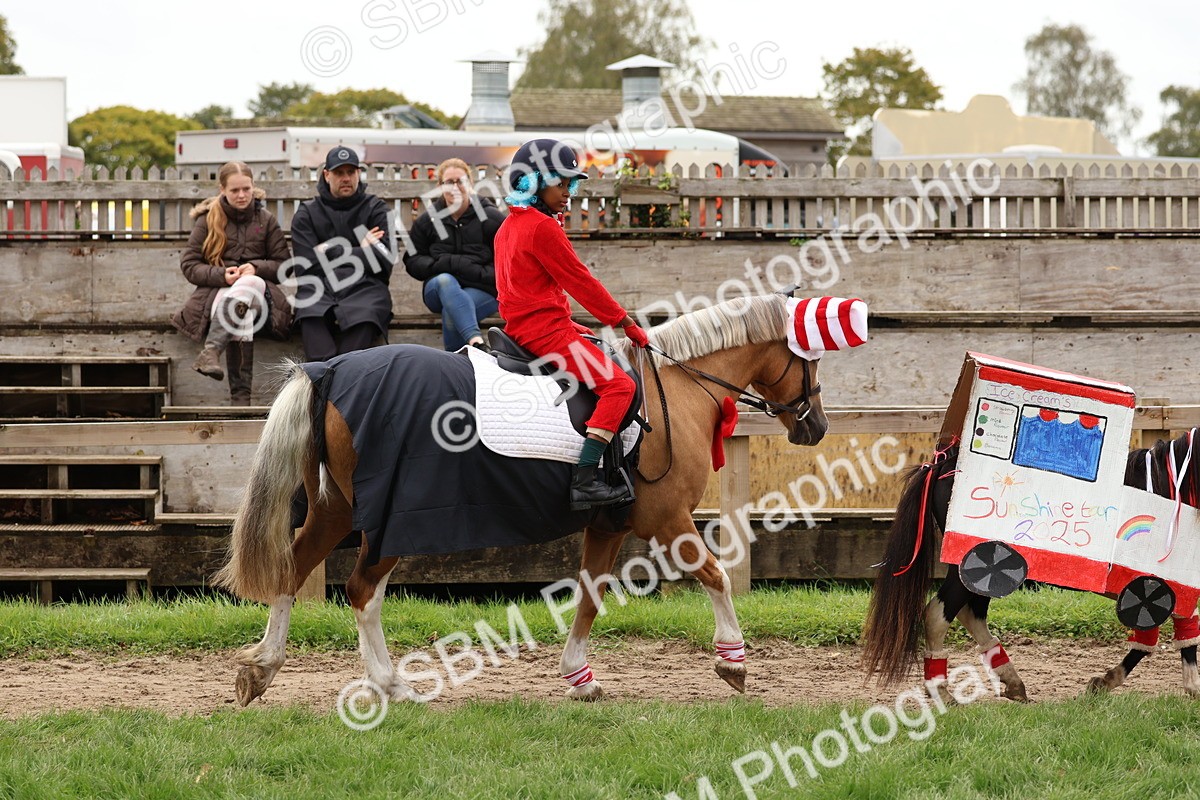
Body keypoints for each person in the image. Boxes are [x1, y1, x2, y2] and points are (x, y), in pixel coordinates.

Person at [493, 138, 650, 511]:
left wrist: (580, 326)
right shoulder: (543, 229)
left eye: (570, 184)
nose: (567, 193)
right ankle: (585, 480)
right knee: (620, 386)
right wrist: (625, 323)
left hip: (521, 329)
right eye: (559, 183)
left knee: (595, 343)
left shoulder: (507, 227)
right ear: (533, 182)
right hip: (546, 334)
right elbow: (582, 283)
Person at [171, 161, 292, 405]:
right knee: (241, 314)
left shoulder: (265, 220)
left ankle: (212, 350)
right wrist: (222, 275)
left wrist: (256, 268)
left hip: (262, 299)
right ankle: (240, 400)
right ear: (222, 189)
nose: (241, 195)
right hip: (218, 295)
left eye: (246, 189)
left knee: (251, 283)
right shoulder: (207, 220)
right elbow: (189, 265)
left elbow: (284, 266)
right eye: (235, 190)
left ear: (253, 187)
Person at [290, 147, 395, 361]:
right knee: (309, 312)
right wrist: (363, 251)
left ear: (358, 173)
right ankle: (322, 377)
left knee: (367, 315)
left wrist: (332, 250)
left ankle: (342, 381)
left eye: (351, 172)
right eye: (339, 173)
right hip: (319, 288)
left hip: (365, 289)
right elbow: (305, 266)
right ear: (327, 175)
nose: (346, 178)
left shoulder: (377, 209)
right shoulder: (307, 213)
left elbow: (384, 261)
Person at [404, 158, 505, 351]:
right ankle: (477, 347)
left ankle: (464, 357)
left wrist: (473, 270)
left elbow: (508, 265)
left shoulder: (492, 218)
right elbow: (412, 261)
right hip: (437, 290)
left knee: (452, 311)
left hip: (484, 291)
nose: (455, 187)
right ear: (440, 186)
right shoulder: (428, 221)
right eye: (449, 182)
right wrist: (444, 264)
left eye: (460, 181)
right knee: (445, 280)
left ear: (470, 183)